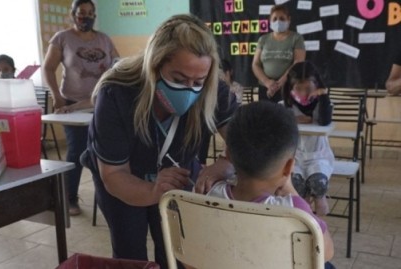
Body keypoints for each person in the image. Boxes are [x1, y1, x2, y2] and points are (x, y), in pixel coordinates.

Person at [81, 14, 237, 268]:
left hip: (178, 173)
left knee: (176, 248)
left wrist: (226, 163)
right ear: (154, 66)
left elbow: (243, 142)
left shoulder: (213, 90)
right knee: (130, 250)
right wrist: (152, 190)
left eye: (197, 82)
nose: (189, 90)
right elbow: (114, 174)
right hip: (122, 177)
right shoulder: (117, 93)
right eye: (177, 79)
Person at [206, 101, 334, 264]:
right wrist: (292, 191)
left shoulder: (211, 195)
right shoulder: (294, 210)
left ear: (229, 155)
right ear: (288, 167)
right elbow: (327, 251)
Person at [42, 0, 119, 216]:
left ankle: (109, 196)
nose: (86, 17)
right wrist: (56, 96)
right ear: (73, 14)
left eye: (90, 13)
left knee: (103, 150)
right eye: (82, 13)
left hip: (100, 103)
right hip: (72, 104)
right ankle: (69, 198)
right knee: (77, 150)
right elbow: (48, 69)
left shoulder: (104, 39)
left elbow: (118, 64)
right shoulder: (62, 38)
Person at [281, 61, 334, 216]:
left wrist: (323, 95)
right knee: (296, 185)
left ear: (316, 86)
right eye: (298, 88)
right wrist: (293, 120)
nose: (303, 94)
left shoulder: (322, 105)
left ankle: (318, 215)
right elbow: (280, 129)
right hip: (294, 157)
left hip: (318, 156)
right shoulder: (285, 106)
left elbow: (324, 122)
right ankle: (305, 217)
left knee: (318, 183)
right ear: (290, 88)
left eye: (308, 89)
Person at [252, 4, 306, 103]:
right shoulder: (263, 39)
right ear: (270, 21)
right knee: (265, 117)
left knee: (286, 117)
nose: (278, 21)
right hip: (265, 88)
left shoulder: (296, 38)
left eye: (282, 18)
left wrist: (279, 84)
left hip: (288, 87)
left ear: (288, 19)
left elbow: (298, 63)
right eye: (275, 19)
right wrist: (267, 82)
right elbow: (255, 64)